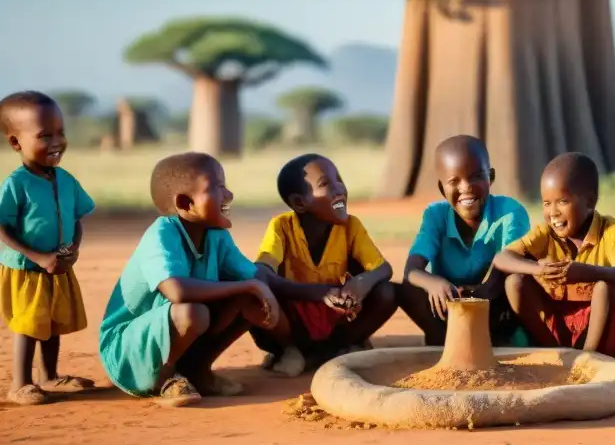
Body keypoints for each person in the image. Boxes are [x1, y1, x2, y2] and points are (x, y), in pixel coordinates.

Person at [99, 152, 350, 407]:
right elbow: (176, 291)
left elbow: (258, 276)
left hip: (171, 333)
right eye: (218, 188)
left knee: (248, 298)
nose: (229, 195)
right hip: (127, 353)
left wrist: (322, 292)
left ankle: (198, 370)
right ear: (186, 203)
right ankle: (165, 381)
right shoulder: (162, 234)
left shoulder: (215, 235)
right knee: (193, 313)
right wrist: (251, 285)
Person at [250, 153, 398, 377]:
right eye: (325, 184)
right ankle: (288, 349)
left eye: (339, 179)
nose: (339, 188)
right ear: (300, 202)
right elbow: (261, 272)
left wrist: (362, 282)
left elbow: (383, 269)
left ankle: (334, 349)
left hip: (336, 313)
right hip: (294, 318)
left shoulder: (351, 226)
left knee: (387, 292)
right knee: (255, 296)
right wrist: (317, 293)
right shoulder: (281, 227)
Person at [493, 152, 615, 360]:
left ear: (590, 201)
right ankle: (555, 354)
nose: (553, 212)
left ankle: (591, 359)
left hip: (607, 329)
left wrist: (586, 272)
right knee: (515, 282)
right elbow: (502, 258)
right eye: (546, 203)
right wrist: (538, 269)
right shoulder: (546, 232)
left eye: (562, 201)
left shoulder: (610, 231)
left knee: (606, 288)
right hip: (563, 329)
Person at [0, 91, 95, 406]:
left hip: (58, 264)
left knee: (52, 321)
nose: (57, 141)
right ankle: (20, 383)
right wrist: (38, 256)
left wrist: (74, 250)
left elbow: (77, 217)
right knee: (29, 324)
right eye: (45, 135)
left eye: (61, 132)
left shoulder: (66, 180)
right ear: (16, 143)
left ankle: (50, 375)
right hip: (28, 268)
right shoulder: (17, 184)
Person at [397, 135, 530, 347]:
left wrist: (476, 292)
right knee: (404, 290)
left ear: (491, 177)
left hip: (494, 306)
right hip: (450, 306)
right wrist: (435, 283)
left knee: (518, 283)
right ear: (442, 189)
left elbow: (508, 267)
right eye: (454, 181)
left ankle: (500, 339)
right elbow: (411, 271)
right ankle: (441, 342)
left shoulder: (510, 212)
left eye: (476, 176)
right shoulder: (435, 215)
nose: (466, 187)